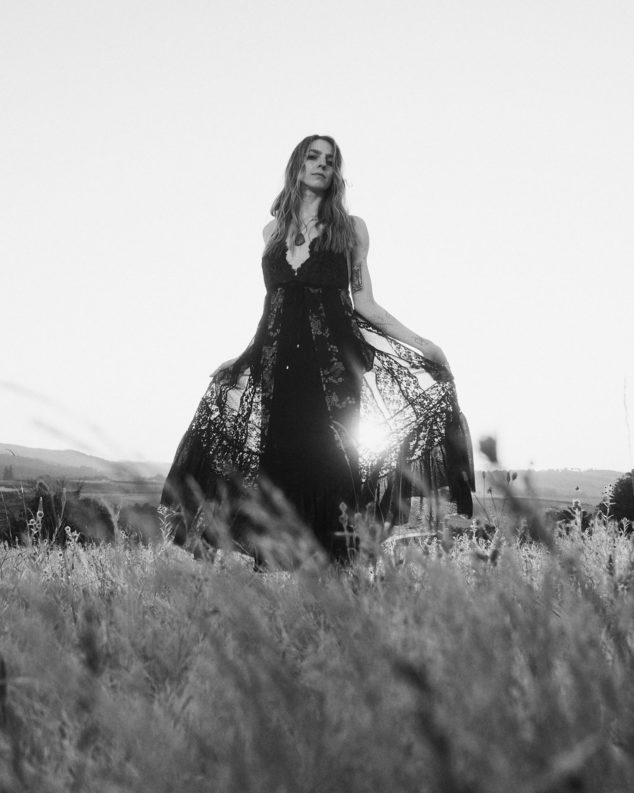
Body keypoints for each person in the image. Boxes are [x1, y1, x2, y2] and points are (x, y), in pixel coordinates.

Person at [161, 134, 474, 563]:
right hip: (279, 373)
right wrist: (240, 359)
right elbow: (273, 308)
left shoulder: (351, 230)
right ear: (297, 165)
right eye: (314, 157)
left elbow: (364, 303)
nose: (322, 165)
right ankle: (284, 578)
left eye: (330, 160)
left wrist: (424, 344)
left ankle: (344, 579)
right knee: (279, 471)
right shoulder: (271, 231)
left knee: (334, 470)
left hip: (332, 374)